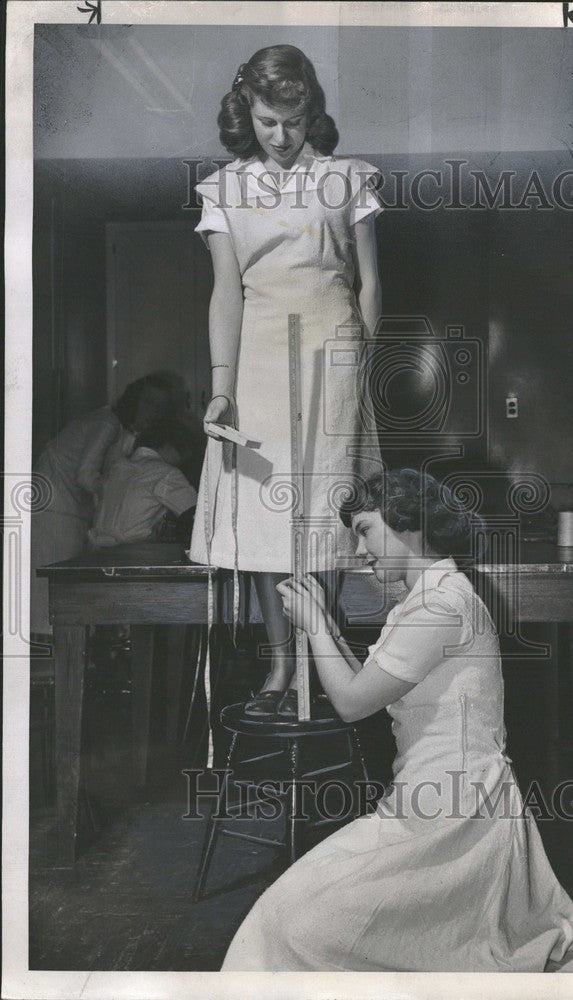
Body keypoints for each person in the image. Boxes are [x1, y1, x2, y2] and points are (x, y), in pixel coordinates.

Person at [220, 470, 573, 972]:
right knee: (286, 915)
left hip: (455, 820)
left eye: (365, 530)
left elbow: (352, 703)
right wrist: (324, 624)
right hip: (426, 806)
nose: (359, 549)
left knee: (292, 924)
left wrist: (314, 629)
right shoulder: (426, 599)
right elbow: (369, 682)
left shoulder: (440, 606)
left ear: (408, 526)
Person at [188, 45, 384, 717]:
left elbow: (368, 281)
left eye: (294, 123)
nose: (281, 136)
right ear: (248, 110)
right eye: (269, 121)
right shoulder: (223, 189)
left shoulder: (346, 179)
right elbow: (225, 294)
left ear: (311, 113)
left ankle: (317, 655)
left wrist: (361, 360)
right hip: (260, 361)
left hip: (333, 349)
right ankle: (280, 661)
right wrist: (222, 384)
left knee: (327, 511)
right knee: (271, 519)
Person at [30, 374, 173, 634]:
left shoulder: (121, 430)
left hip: (67, 510)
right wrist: (117, 491)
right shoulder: (107, 423)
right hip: (54, 509)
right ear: (133, 400)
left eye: (160, 406)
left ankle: (67, 657)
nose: (153, 412)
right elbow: (86, 476)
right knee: (54, 599)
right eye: (148, 402)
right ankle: (56, 663)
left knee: (63, 597)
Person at [88, 420, 198, 548]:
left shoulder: (117, 468)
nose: (180, 462)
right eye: (182, 455)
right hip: (135, 553)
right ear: (168, 446)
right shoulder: (166, 473)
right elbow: (197, 514)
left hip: (97, 552)